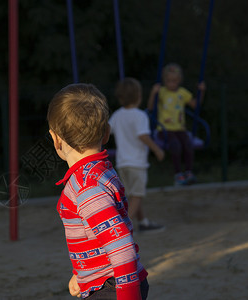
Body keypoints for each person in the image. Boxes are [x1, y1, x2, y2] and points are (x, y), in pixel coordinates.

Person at [47, 83, 149, 300]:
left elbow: (123, 249)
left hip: (114, 287)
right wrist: (82, 274)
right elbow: (95, 233)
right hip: (109, 281)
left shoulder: (87, 188)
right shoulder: (98, 171)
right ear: (106, 134)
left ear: (55, 139)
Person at [109, 77, 166, 233]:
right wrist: (157, 149)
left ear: (120, 98)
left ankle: (144, 222)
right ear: (139, 96)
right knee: (137, 196)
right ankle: (122, 229)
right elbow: (143, 136)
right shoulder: (140, 116)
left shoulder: (117, 115)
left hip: (122, 163)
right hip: (137, 163)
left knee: (132, 194)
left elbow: (107, 131)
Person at [147, 63, 206, 185]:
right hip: (164, 130)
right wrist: (153, 93)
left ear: (179, 81)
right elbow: (150, 107)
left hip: (180, 128)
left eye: (174, 81)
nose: (171, 84)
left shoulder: (182, 93)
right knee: (176, 145)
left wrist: (201, 92)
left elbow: (196, 105)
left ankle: (189, 172)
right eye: (168, 81)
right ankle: (178, 174)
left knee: (188, 144)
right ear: (164, 81)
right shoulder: (161, 92)